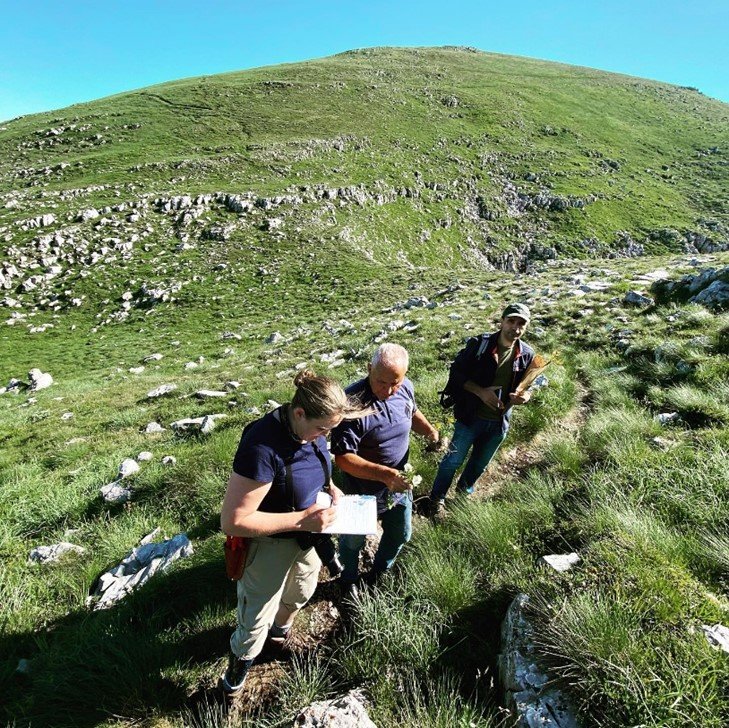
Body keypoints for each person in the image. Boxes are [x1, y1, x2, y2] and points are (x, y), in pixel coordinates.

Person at [219, 370, 366, 696]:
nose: (325, 435)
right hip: (269, 545)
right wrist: (302, 520)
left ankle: (279, 635)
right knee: (254, 619)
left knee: (301, 591)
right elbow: (232, 521)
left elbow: (315, 465)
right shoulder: (261, 449)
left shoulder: (311, 431)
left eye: (330, 429)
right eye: (322, 429)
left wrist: (331, 487)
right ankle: (235, 676)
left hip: (308, 537)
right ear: (299, 413)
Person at [330, 343, 440, 594]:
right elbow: (343, 458)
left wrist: (430, 431)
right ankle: (347, 578)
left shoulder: (405, 388)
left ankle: (380, 571)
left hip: (399, 484)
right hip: (361, 489)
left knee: (401, 533)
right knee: (353, 540)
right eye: (381, 382)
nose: (388, 390)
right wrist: (384, 474)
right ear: (369, 369)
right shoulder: (351, 404)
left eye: (396, 383)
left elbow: (411, 412)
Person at [426, 303, 535, 518]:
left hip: (499, 422)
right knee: (453, 461)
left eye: (521, 323)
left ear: (525, 327)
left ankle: (461, 497)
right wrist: (481, 392)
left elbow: (526, 386)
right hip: (470, 417)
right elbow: (456, 374)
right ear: (502, 321)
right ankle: (435, 499)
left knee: (479, 464)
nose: (515, 327)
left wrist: (524, 397)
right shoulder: (480, 344)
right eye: (511, 321)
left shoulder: (526, 354)